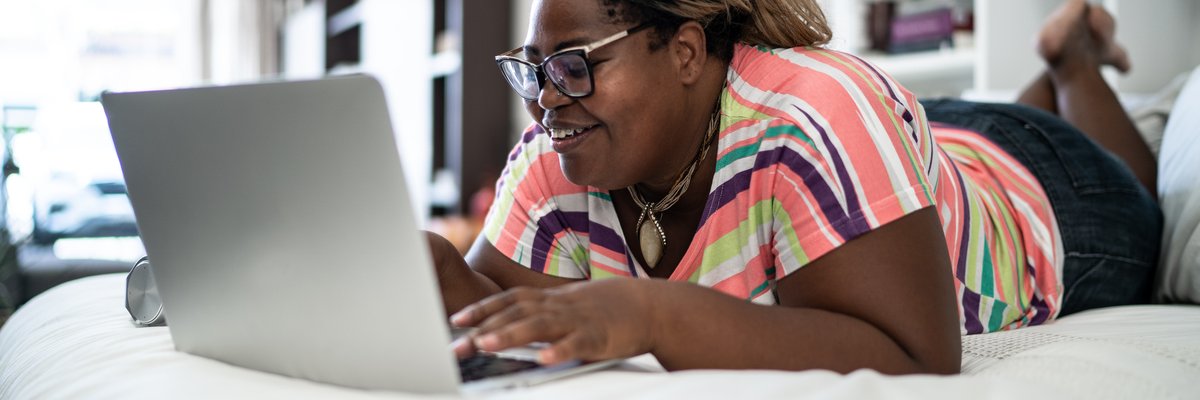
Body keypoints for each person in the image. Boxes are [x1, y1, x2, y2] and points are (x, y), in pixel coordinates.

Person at [424, 0, 1160, 374]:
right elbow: (506, 311)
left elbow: (917, 354)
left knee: (1142, 188)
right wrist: (432, 277)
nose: (547, 98)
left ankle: (1074, 61)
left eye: (575, 63)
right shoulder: (564, 148)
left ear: (684, 51)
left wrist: (654, 314)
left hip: (1044, 190)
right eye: (534, 69)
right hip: (914, 144)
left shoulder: (816, 113)